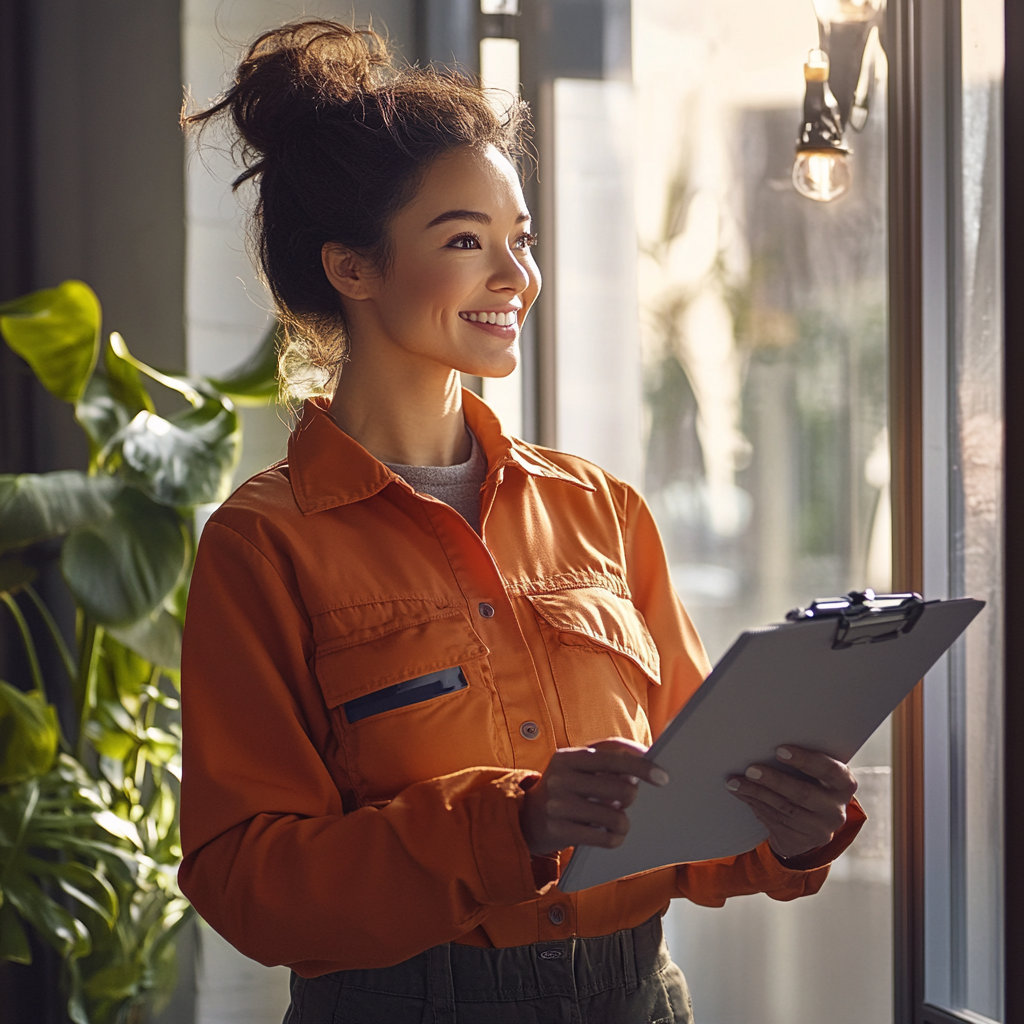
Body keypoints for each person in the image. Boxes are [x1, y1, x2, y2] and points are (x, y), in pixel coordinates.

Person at [178, 20, 864, 1024]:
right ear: (352, 268)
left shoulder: (603, 511)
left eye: (521, 240)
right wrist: (516, 821)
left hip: (636, 996)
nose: (516, 278)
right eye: (465, 241)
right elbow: (249, 881)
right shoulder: (265, 544)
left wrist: (787, 826)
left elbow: (692, 814)